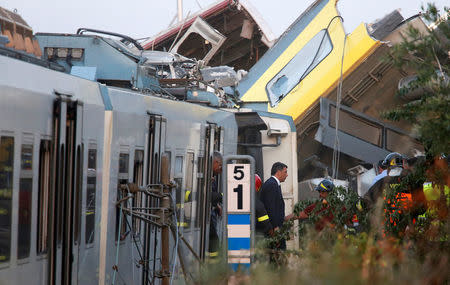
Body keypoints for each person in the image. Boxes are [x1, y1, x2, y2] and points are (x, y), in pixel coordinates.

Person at [259, 162, 289, 249]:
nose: (287, 175)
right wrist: (275, 227)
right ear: (278, 172)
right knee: (278, 253)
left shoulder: (274, 184)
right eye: (285, 172)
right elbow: (271, 208)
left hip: (276, 227)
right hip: (273, 229)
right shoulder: (271, 185)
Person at [208, 151, 223, 258]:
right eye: (220, 166)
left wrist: (217, 205)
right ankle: (213, 267)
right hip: (205, 215)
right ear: (215, 162)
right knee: (214, 242)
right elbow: (209, 195)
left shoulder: (212, 175)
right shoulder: (207, 175)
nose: (220, 170)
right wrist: (223, 195)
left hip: (211, 212)